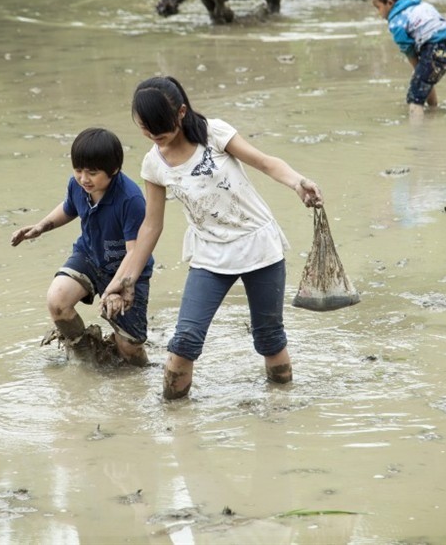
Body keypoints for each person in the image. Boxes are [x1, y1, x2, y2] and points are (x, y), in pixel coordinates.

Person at [102, 76, 323, 400]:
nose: (153, 135)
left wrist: (297, 182)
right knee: (185, 340)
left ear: (180, 113)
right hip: (210, 255)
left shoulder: (213, 133)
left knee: (270, 337)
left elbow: (264, 162)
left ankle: (280, 412)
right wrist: (127, 277)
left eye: (159, 126)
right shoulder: (153, 164)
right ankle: (174, 421)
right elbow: (151, 226)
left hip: (258, 246)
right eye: (145, 129)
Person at [10, 127, 153, 366]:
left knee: (129, 348)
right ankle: (86, 356)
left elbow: (134, 252)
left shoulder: (131, 199)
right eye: (78, 170)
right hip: (89, 256)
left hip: (128, 270)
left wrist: (117, 289)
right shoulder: (78, 186)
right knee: (57, 301)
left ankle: (139, 379)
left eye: (93, 173)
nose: (84, 178)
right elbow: (69, 208)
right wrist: (41, 226)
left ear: (114, 170)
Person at [369, 0, 446, 119]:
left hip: (434, 47)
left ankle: (418, 134)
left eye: (378, 7)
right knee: (425, 80)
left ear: (389, 3)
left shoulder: (396, 23)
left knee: (415, 96)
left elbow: (409, 50)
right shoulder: (418, 5)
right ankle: (433, 113)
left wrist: (417, 68)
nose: (378, 13)